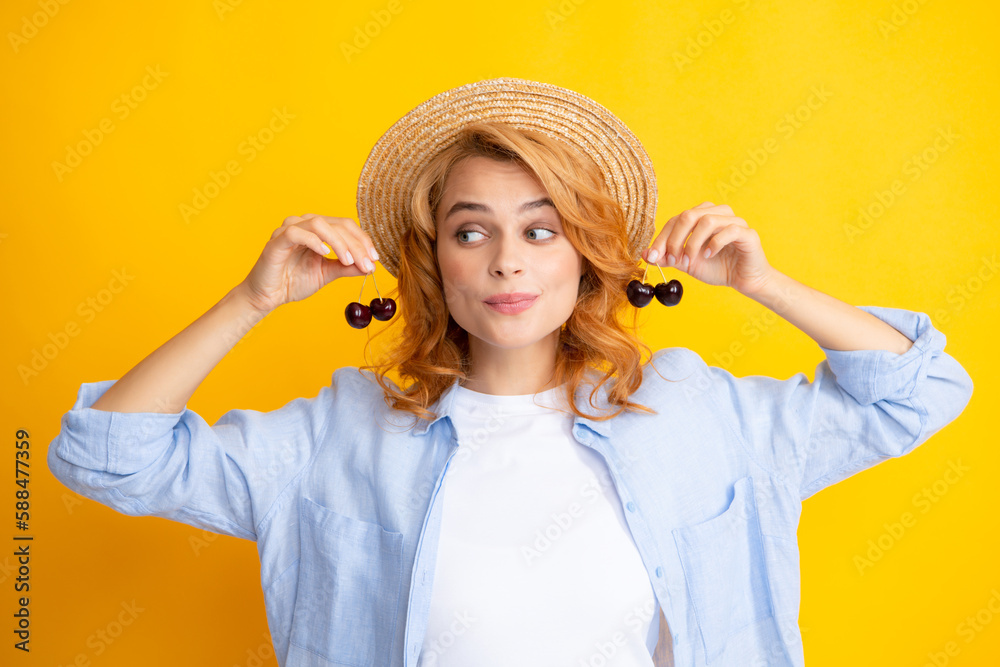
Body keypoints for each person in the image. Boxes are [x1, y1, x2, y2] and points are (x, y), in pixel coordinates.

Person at [47, 78, 974, 667]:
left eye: (541, 228)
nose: (507, 262)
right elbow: (105, 455)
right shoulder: (340, 432)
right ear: (434, 260)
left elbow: (923, 391)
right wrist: (248, 301)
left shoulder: (697, 413)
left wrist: (764, 282)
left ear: (587, 255)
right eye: (470, 230)